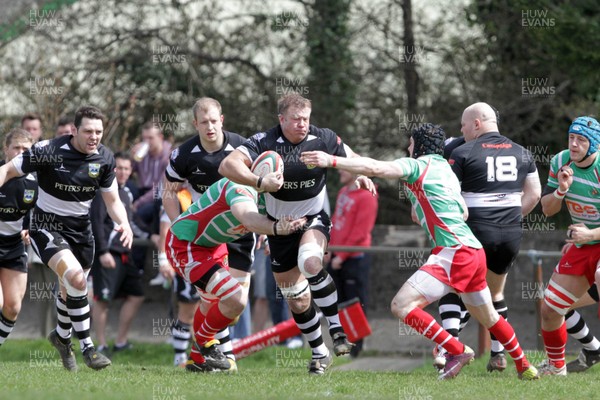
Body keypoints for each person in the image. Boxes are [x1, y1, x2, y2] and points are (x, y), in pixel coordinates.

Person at [300, 123, 539, 380]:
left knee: (400, 306)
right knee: (490, 316)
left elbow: (375, 168)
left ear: (421, 146)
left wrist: (330, 160)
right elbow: (463, 212)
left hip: (454, 251)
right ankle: (524, 365)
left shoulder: (418, 164)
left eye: (411, 143)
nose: (408, 148)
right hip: (474, 251)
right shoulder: (447, 170)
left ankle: (457, 350)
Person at [219, 93, 367, 374]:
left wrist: (360, 173)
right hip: (279, 226)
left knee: (310, 263)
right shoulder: (264, 141)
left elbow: (352, 156)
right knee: (296, 298)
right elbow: (227, 166)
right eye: (296, 119)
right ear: (282, 119)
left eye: (306, 119)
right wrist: (259, 181)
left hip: (313, 217)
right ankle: (319, 352)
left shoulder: (323, 137)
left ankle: (336, 329)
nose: (303, 125)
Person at [0, 105, 133, 371]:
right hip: (46, 226)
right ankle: (88, 347)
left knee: (69, 290)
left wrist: (124, 223)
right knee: (76, 278)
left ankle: (62, 337)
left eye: (98, 131)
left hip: (81, 233)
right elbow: (7, 171)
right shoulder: (48, 150)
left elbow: (113, 200)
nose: (94, 136)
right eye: (88, 131)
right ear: (74, 130)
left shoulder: (105, 159)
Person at [435, 102, 541, 372]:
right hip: (510, 235)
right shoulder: (523, 152)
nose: (461, 130)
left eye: (463, 125)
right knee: (495, 293)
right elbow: (535, 194)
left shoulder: (461, 152)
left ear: (477, 124)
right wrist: (511, 217)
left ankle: (451, 350)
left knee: (452, 286)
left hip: (476, 231)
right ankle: (498, 355)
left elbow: (448, 194)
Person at [165, 176, 306, 372]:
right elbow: (248, 217)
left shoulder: (268, 197)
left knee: (213, 304)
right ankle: (205, 343)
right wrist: (273, 228)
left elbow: (268, 219)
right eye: (276, 175)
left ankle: (196, 360)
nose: (280, 181)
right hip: (186, 243)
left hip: (213, 246)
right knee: (236, 300)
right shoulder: (239, 187)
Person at [161, 97, 255, 369]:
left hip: (240, 231)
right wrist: (179, 223)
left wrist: (267, 227)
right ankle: (223, 358)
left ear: (222, 120)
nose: (210, 127)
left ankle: (202, 354)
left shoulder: (243, 147)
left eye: (214, 121)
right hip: (206, 236)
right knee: (223, 298)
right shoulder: (185, 154)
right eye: (204, 122)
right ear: (195, 124)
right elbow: (168, 191)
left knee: (234, 307)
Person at [538, 116, 600, 376]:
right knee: (551, 308)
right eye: (571, 138)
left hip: (591, 239)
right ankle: (556, 367)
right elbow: (547, 210)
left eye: (581, 140)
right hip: (583, 245)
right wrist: (561, 191)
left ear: (594, 145)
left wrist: (590, 234)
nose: (573, 145)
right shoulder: (559, 161)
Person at [90, 152, 150, 356]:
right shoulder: (102, 192)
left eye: (127, 168)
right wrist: (102, 252)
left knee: (137, 295)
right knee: (102, 300)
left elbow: (132, 222)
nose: (123, 172)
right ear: (112, 170)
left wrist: (155, 234)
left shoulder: (126, 193)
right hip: (108, 254)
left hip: (127, 255)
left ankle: (121, 341)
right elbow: (96, 223)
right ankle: (101, 345)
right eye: (119, 168)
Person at [327, 169, 378, 357]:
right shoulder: (343, 192)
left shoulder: (367, 196)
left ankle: (357, 349)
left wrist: (341, 256)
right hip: (337, 256)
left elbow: (361, 231)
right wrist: (329, 248)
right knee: (336, 301)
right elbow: (335, 221)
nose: (340, 170)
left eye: (344, 166)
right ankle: (341, 343)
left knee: (355, 303)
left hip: (354, 258)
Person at [0, 129, 37, 348]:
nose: (21, 153)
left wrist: (30, 228)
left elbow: (40, 213)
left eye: (26, 149)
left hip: (14, 246)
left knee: (12, 307)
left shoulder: (35, 181)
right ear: (6, 149)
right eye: (17, 148)